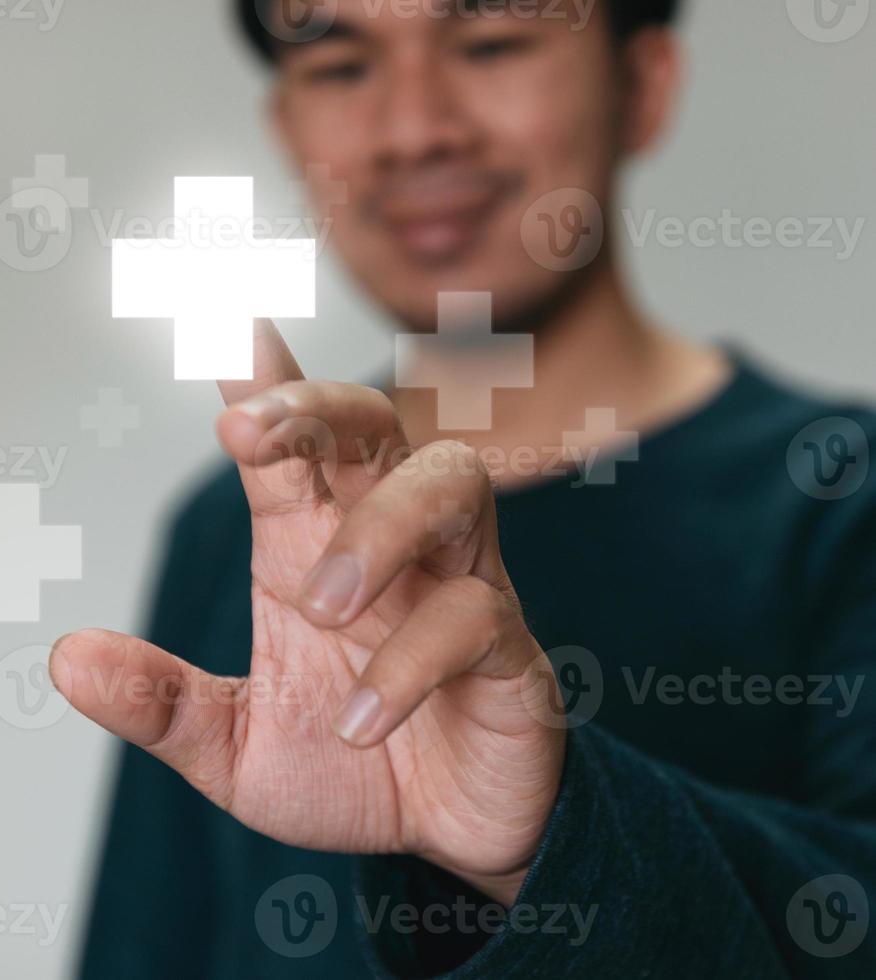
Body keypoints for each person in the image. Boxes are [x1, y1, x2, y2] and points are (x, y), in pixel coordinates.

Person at [51, 0, 876, 975]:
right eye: (340, 65)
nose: (412, 129)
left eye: (488, 43)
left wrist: (551, 837)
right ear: (285, 127)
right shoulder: (222, 530)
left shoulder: (836, 495)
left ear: (640, 84)